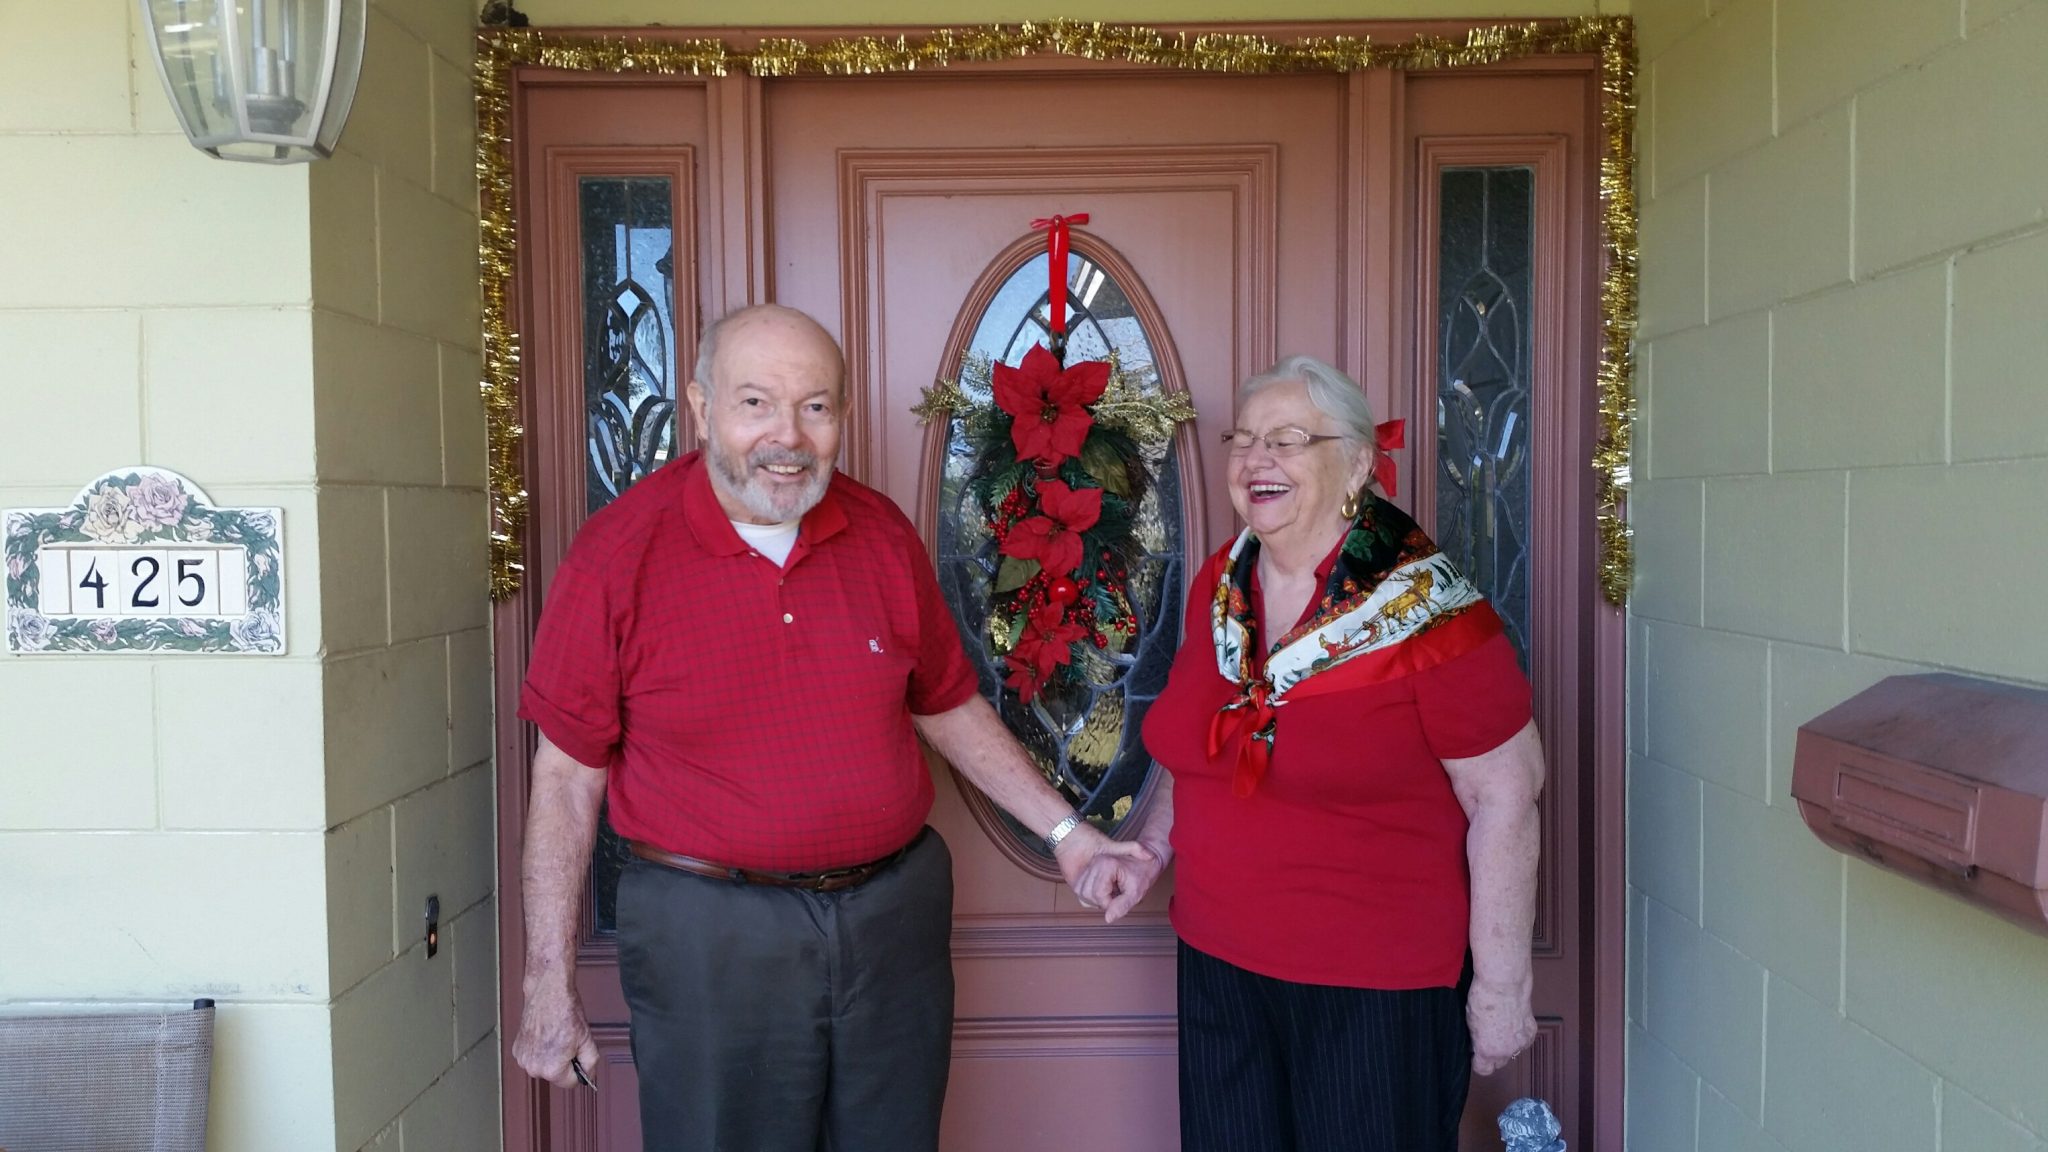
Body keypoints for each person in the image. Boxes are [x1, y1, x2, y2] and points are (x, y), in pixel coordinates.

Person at [512, 304, 1154, 1152]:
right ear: (700, 408)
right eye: (755, 404)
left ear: (842, 415)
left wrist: (1069, 836)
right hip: (712, 934)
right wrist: (547, 983)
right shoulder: (616, 555)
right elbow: (566, 779)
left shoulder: (879, 532)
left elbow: (943, 703)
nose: (788, 436)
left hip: (892, 922)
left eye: (814, 407)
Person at [1076, 354, 1545, 1152]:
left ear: (1357, 463)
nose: (1256, 459)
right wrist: (1152, 847)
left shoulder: (1426, 610)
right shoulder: (1223, 586)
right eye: (1244, 439)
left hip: (1374, 987)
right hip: (1220, 963)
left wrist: (1502, 985)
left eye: (1288, 439)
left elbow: (1506, 794)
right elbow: (1203, 750)